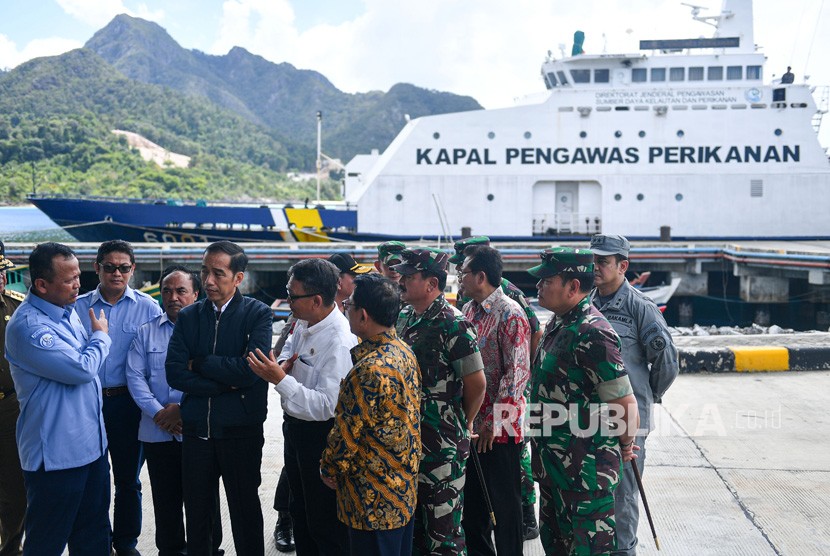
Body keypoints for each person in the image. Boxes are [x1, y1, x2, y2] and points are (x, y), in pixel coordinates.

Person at [527, 247, 639, 555]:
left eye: (546, 281)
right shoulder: (559, 323)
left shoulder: (594, 333)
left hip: (585, 478)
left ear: (573, 287)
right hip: (555, 471)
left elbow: (625, 405)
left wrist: (626, 444)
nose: (538, 287)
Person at [4, 242, 112, 555]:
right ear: (41, 284)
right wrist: (101, 337)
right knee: (46, 541)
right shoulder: (30, 327)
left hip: (90, 448)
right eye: (69, 280)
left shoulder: (67, 311)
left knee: (93, 536)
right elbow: (82, 369)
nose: (78, 284)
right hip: (56, 456)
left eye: (79, 276)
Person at [166, 241, 272, 555]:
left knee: (245, 512)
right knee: (198, 515)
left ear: (238, 278)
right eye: (204, 271)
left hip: (241, 431)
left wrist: (200, 363)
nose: (208, 281)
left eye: (218, 273)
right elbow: (173, 372)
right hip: (197, 431)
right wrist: (222, 385)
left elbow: (250, 372)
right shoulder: (188, 317)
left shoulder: (258, 314)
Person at [247, 258, 356, 555]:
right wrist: (283, 365)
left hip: (320, 436)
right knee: (300, 512)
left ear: (317, 300)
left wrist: (280, 379)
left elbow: (325, 406)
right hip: (295, 429)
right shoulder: (305, 321)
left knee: (323, 523)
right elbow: (288, 350)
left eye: (293, 296)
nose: (288, 301)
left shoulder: (339, 341)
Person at [589, 235, 679, 556]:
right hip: (590, 422)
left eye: (603, 262)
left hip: (629, 421)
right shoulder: (585, 303)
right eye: (594, 260)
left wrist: (644, 397)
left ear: (622, 266)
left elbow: (666, 364)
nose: (595, 267)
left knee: (623, 498)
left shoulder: (641, 309)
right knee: (592, 496)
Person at [320, 274, 421, 556]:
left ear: (363, 316)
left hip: (371, 502)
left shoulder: (369, 370)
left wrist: (329, 469)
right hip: (401, 494)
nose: (345, 310)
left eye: (349, 305)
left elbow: (346, 435)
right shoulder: (404, 352)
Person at [393, 248, 486, 555]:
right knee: (413, 532)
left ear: (432, 283)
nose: (401, 281)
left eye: (409, 276)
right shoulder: (403, 318)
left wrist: (464, 422)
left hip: (441, 450)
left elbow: (477, 383)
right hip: (406, 444)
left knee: (443, 536)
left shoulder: (454, 324)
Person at [126, 265, 224, 556]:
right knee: (165, 501)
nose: (173, 297)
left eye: (181, 290)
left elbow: (214, 377)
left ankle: (208, 550)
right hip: (158, 434)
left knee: (204, 500)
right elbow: (135, 377)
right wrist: (160, 414)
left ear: (196, 293)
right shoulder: (146, 333)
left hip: (198, 431)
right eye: (167, 290)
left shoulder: (212, 332)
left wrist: (182, 410)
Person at [450, 236, 542, 539]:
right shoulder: (471, 311)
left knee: (505, 509)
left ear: (480, 276)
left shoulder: (510, 312)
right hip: (475, 425)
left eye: (463, 273)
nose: (459, 279)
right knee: (474, 510)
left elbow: (516, 375)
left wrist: (494, 422)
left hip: (499, 431)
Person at [75, 240, 163, 556]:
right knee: (93, 479)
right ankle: (98, 543)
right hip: (87, 404)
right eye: (109, 267)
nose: (116, 273)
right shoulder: (78, 307)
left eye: (123, 268)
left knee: (128, 481)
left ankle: (125, 543)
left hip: (128, 404)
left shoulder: (148, 308)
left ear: (132, 270)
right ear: (96, 267)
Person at [0, 241, 26, 556]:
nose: (3, 278)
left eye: (4, 271)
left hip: (10, 405)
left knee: (15, 482)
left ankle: (10, 546)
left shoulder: (16, 307)